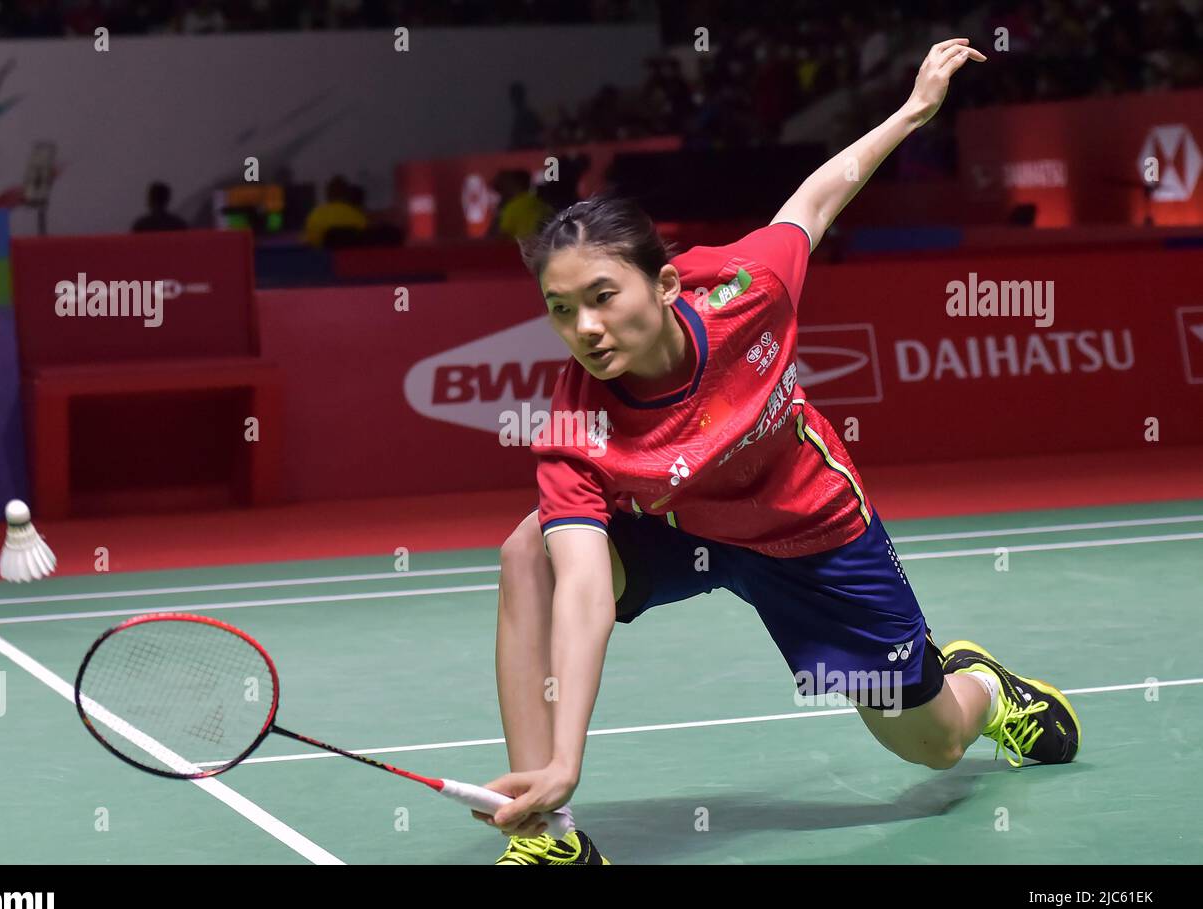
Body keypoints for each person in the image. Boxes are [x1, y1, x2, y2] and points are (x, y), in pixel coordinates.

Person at [476, 39, 1080, 866]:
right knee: (528, 554)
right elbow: (581, 590)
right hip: (677, 528)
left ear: (664, 285)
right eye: (560, 308)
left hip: (810, 533)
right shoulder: (576, 421)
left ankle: (988, 687)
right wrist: (564, 763)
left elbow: (820, 197)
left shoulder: (744, 291)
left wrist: (913, 111)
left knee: (931, 745)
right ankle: (546, 831)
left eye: (602, 297)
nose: (585, 328)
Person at [303, 175, 368, 248]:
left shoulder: (315, 215)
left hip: (324, 258)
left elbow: (309, 243)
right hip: (353, 258)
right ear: (347, 194)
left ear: (328, 194)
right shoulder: (358, 216)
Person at [491, 169, 553, 240]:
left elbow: (501, 239)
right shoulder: (543, 204)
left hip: (519, 249)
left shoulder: (512, 208)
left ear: (514, 185)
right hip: (542, 249)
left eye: (504, 186)